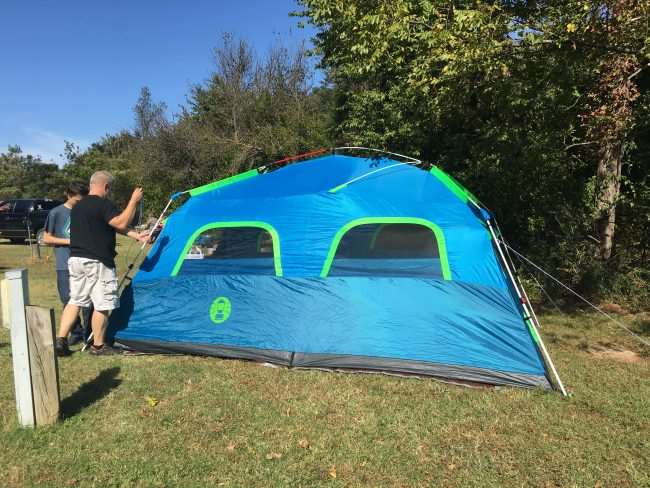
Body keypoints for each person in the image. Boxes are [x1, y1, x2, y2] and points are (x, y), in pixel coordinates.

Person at [55, 171, 147, 356]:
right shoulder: (102, 204)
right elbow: (120, 222)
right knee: (102, 304)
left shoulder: (79, 207)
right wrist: (133, 201)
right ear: (106, 186)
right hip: (97, 261)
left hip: (76, 259)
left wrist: (136, 235)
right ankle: (98, 346)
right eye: (109, 188)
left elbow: (109, 225)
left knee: (76, 300)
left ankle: (61, 341)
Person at [43, 181, 91, 345]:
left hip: (86, 262)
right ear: (69, 195)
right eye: (78, 201)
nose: (80, 204)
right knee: (67, 299)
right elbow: (46, 238)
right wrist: (69, 241)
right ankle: (76, 332)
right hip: (64, 264)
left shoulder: (86, 212)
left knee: (87, 301)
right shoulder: (56, 213)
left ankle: (89, 334)